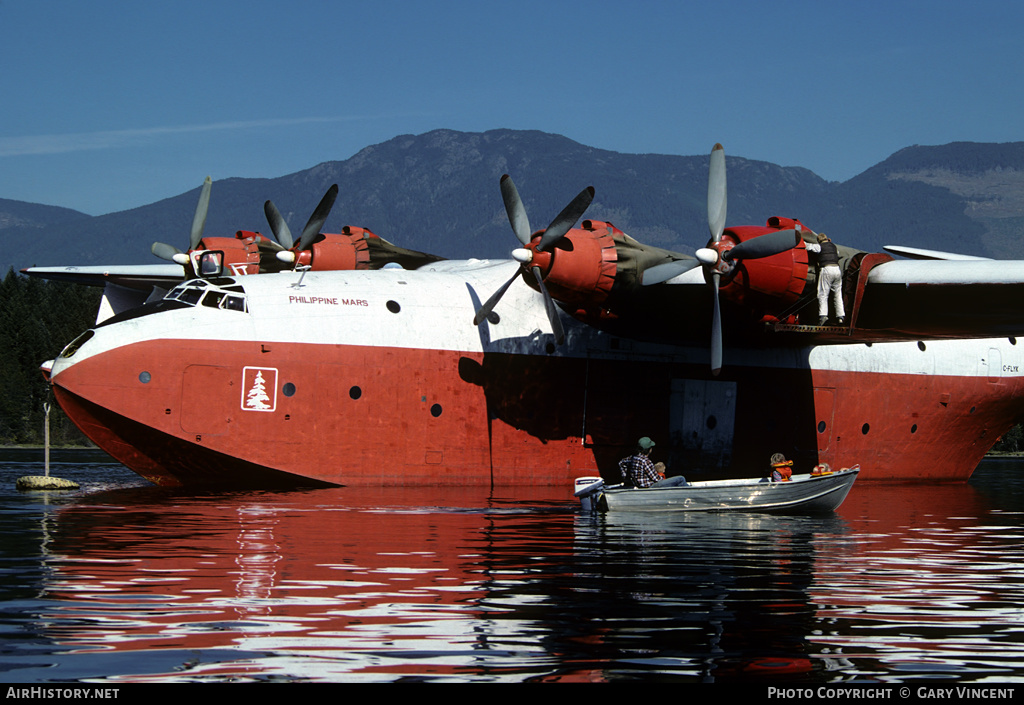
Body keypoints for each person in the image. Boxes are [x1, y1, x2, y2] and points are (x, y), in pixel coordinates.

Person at [805, 232, 845, 326]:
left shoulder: (820, 247)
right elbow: (837, 254)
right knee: (837, 295)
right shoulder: (834, 247)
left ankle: (823, 316)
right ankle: (840, 316)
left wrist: (801, 242)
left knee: (822, 294)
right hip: (837, 270)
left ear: (819, 241)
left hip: (826, 269)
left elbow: (809, 247)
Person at [618, 437, 687, 488]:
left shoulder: (631, 458)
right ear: (649, 450)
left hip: (638, 485)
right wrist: (666, 480)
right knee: (681, 479)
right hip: (648, 487)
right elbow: (657, 479)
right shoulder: (646, 461)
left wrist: (626, 478)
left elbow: (621, 463)